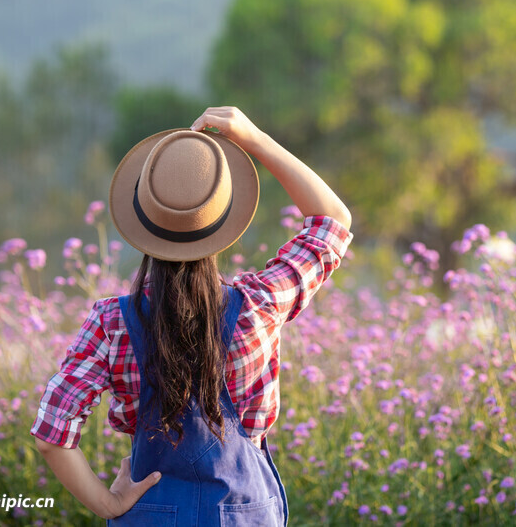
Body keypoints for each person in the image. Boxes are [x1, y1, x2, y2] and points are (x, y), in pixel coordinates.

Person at [31, 106, 352, 525]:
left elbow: (51, 436)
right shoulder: (260, 305)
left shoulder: (112, 323)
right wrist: (254, 138)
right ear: (223, 222)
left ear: (144, 222)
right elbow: (332, 222)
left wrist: (108, 504)